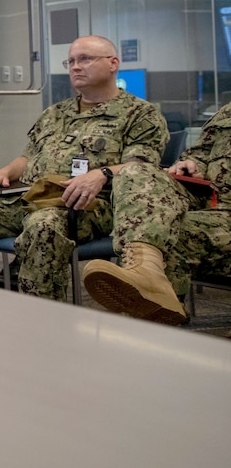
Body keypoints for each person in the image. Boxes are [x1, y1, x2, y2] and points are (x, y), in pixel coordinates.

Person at [0, 36, 167, 300]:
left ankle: (41, 319)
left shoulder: (140, 114)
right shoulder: (55, 113)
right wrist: (4, 172)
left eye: (85, 59)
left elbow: (141, 168)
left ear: (113, 64)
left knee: (43, 226)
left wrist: (101, 174)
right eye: (71, 61)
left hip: (85, 205)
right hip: (28, 196)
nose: (75, 66)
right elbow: (27, 159)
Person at [79, 101, 231, 325]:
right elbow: (201, 152)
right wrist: (191, 164)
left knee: (162, 230)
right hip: (212, 206)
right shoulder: (227, 112)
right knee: (135, 175)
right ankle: (145, 270)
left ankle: (159, 317)